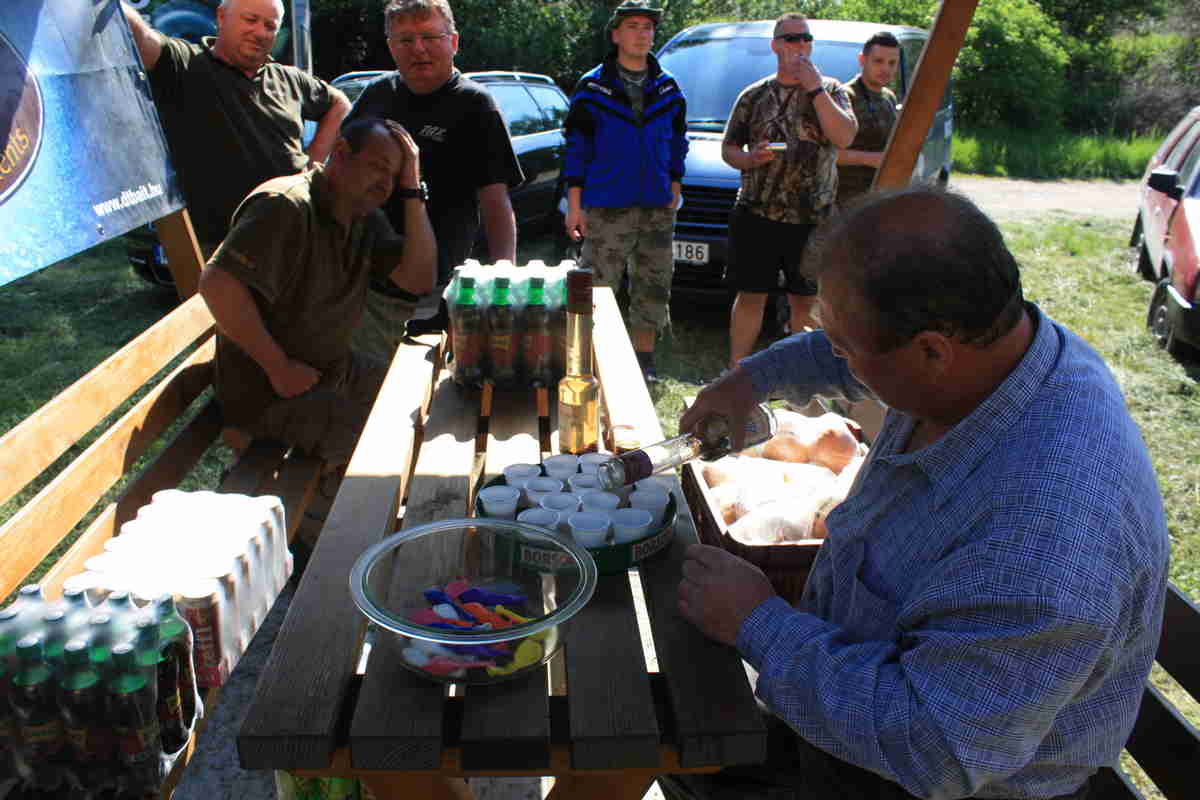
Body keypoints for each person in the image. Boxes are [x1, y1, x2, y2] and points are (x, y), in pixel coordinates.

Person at [664, 186, 1170, 800]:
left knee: (657, 735)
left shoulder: (1048, 532)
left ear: (932, 352)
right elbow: (857, 348)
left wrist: (758, 624)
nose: (837, 356)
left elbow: (935, 750)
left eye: (844, 346)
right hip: (855, 719)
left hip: (928, 778)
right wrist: (751, 380)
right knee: (675, 729)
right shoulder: (992, 348)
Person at [198, 117, 435, 477]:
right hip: (275, 396)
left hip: (332, 373)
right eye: (378, 167)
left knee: (423, 404)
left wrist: (413, 189)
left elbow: (418, 279)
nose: (385, 185)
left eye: (394, 177)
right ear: (340, 152)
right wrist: (279, 368)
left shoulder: (361, 216)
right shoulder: (286, 206)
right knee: (388, 448)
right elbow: (218, 284)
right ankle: (321, 510)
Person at [345, 0, 524, 358]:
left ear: (453, 42)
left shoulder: (476, 105)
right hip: (366, 280)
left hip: (438, 288)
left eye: (430, 37)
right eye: (405, 40)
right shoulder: (377, 95)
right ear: (391, 46)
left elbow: (496, 203)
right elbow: (341, 170)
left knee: (432, 382)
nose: (418, 49)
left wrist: (503, 281)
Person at [121, 0, 351, 256]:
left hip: (295, 236)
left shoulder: (290, 79)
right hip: (221, 248)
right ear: (221, 17)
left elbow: (339, 104)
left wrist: (313, 162)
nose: (260, 32)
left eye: (270, 26)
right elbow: (141, 39)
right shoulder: (186, 64)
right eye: (250, 20)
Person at [721, 13, 856, 370]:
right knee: (751, 296)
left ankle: (806, 379)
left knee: (805, 301)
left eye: (806, 38)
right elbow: (729, 149)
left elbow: (844, 136)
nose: (800, 45)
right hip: (757, 214)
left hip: (813, 218)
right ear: (775, 46)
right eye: (792, 38)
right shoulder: (754, 95)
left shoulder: (833, 91)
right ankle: (737, 372)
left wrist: (815, 90)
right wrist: (750, 159)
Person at [563, 0, 688, 383]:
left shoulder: (668, 86)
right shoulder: (592, 87)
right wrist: (575, 205)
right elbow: (576, 149)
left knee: (653, 283)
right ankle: (587, 358)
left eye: (648, 27)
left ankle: (643, 360)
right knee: (596, 285)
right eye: (633, 26)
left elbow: (678, 142)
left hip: (656, 206)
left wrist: (674, 186)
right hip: (606, 205)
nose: (642, 34)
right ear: (616, 34)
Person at [836, 31, 901, 208]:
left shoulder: (889, 97)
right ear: (862, 60)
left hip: (881, 197)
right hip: (847, 203)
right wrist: (870, 159)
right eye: (878, 61)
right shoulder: (844, 97)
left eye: (892, 63)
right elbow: (826, 154)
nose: (886, 69)